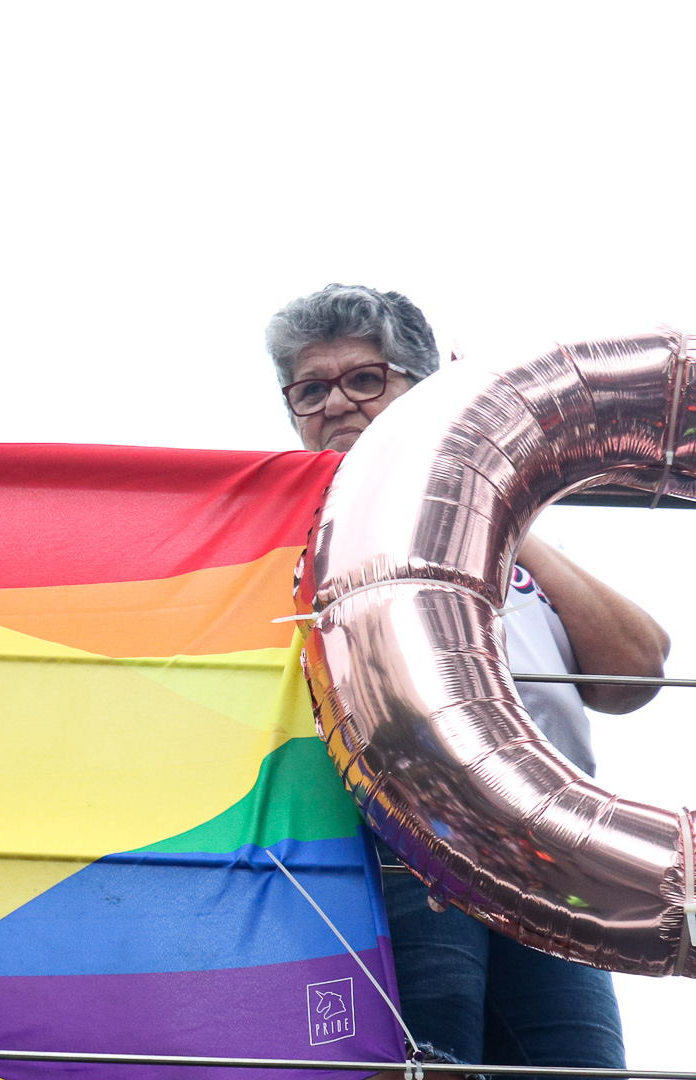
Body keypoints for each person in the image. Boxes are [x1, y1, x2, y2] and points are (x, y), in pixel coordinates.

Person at [265, 284, 671, 1075]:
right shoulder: (286, 545)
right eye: (311, 388)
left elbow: (634, 678)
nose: (338, 403)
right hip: (381, 840)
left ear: (430, 390)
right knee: (432, 1056)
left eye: (367, 379)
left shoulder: (514, 538)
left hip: (546, 856)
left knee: (577, 1065)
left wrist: (501, 517)